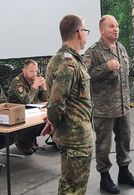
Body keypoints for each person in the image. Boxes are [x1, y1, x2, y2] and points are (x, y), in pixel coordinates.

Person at [84, 15, 134, 194]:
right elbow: (84, 74)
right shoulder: (93, 51)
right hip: (104, 109)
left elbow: (129, 69)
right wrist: (106, 67)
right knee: (104, 145)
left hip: (123, 106)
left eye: (117, 26)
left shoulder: (120, 47)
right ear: (102, 30)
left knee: (124, 140)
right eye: (111, 26)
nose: (116, 29)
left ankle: (124, 172)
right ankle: (105, 177)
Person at [43, 14, 92, 195]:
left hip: (74, 135)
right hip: (75, 138)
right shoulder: (68, 63)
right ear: (79, 32)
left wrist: (53, 121)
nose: (86, 35)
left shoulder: (64, 58)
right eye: (85, 30)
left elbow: (63, 101)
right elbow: (56, 104)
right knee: (74, 188)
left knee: (71, 185)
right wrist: (55, 123)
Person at [8, 59, 48, 155]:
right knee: (35, 123)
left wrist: (44, 87)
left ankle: (29, 140)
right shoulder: (17, 82)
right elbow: (26, 101)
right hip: (18, 112)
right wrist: (34, 86)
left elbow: (44, 100)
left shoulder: (33, 80)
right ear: (24, 70)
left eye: (36, 71)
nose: (34, 74)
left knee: (46, 120)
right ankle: (21, 140)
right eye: (31, 71)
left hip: (32, 110)